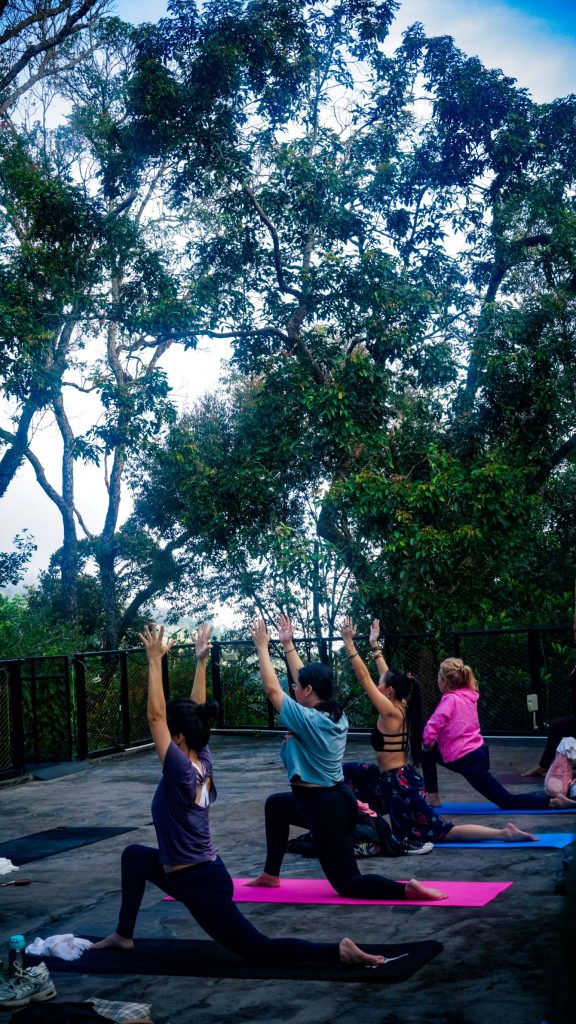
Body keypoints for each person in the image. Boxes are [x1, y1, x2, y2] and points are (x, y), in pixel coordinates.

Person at [93, 622, 389, 969]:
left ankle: (337, 952)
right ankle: (123, 934)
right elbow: (195, 714)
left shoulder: (180, 771)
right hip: (181, 871)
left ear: (177, 739)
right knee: (134, 856)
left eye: (169, 734)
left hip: (198, 881)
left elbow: (156, 716)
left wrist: (154, 661)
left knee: (258, 950)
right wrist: (201, 662)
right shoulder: (202, 757)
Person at [247, 614, 447, 901]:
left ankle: (404, 889)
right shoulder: (330, 712)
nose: (293, 688)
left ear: (308, 691)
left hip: (324, 806)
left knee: (348, 882)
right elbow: (305, 679)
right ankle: (270, 874)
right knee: (276, 805)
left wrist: (262, 647)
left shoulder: (309, 720)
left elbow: (271, 690)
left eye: (297, 686)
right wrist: (288, 645)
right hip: (326, 799)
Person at [340, 617, 538, 846]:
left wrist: (349, 644)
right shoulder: (400, 704)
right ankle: (345, 824)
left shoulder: (391, 712)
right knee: (347, 772)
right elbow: (388, 676)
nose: (377, 685)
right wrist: (375, 646)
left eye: (380, 684)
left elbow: (364, 678)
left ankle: (503, 833)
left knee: (441, 832)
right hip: (388, 779)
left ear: (388, 691)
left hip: (399, 785)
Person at [421, 657, 576, 810]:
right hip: (477, 754)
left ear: (444, 682)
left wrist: (427, 743)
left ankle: (553, 802)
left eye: (438, 678)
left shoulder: (450, 700)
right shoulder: (468, 696)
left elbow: (434, 724)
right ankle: (432, 796)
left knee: (506, 801)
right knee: (426, 750)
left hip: (465, 760)